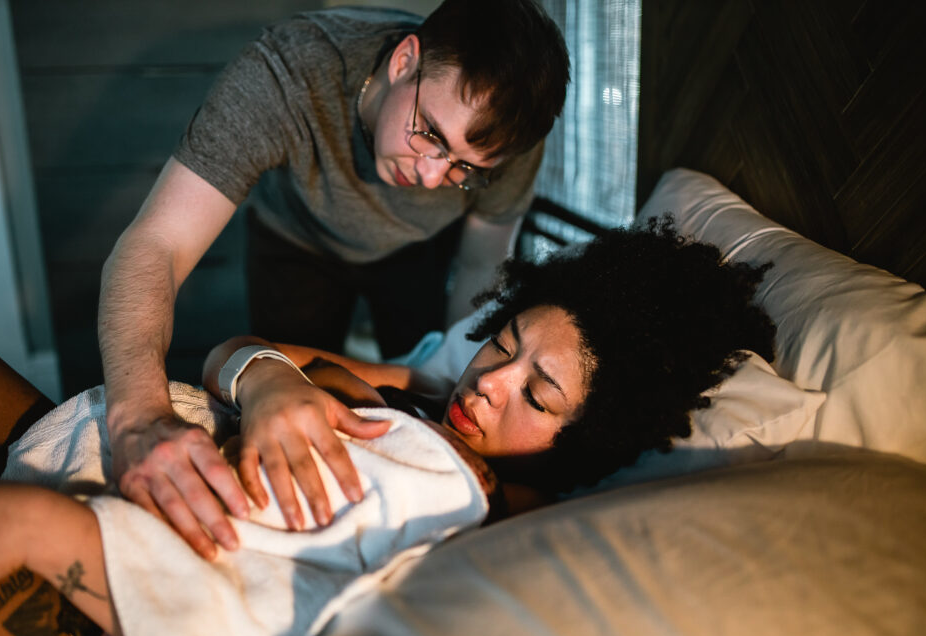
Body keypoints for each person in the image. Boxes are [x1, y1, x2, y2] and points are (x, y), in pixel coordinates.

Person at [0, 220, 775, 636]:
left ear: (593, 435)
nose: (488, 382)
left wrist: (47, 531)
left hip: (105, 584)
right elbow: (227, 353)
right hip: (86, 435)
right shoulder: (418, 393)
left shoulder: (497, 512)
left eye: (537, 395)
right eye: (503, 343)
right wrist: (266, 383)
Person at [100, 0, 572, 548]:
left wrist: (460, 377)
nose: (429, 175)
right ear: (404, 62)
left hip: (415, 252)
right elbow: (158, 243)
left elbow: (478, 262)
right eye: (430, 133)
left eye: (463, 168)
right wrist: (138, 418)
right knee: (279, 398)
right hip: (296, 240)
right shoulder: (288, 74)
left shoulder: (509, 136)